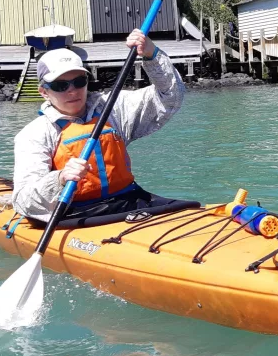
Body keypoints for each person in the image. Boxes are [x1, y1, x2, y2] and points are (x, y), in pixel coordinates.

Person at [12, 29, 186, 223]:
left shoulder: (113, 108)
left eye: (79, 81)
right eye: (61, 86)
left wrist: (152, 55)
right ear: (44, 92)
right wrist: (59, 178)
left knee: (189, 207)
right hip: (76, 213)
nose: (72, 91)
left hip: (129, 200)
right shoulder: (34, 134)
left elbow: (171, 98)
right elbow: (23, 201)